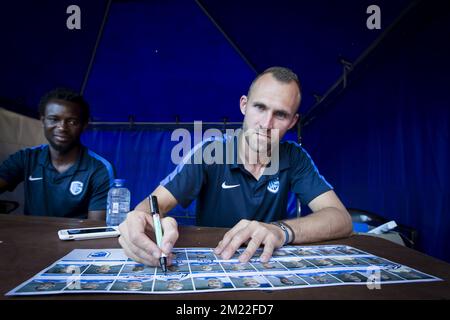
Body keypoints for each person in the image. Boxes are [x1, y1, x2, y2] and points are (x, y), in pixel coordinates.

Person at [118, 66, 353, 266]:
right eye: (259, 108)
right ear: (244, 105)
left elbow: (340, 219)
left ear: (293, 122)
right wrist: (142, 222)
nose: (266, 124)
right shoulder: (211, 152)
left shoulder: (295, 157)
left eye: (280, 115)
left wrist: (280, 230)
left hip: (267, 263)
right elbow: (150, 208)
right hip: (214, 261)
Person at [0, 88, 115, 220]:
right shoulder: (25, 158)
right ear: (43, 121)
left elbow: (96, 227)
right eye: (54, 119)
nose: (62, 127)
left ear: (84, 125)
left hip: (76, 240)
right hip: (29, 238)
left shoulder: (99, 169)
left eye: (72, 122)